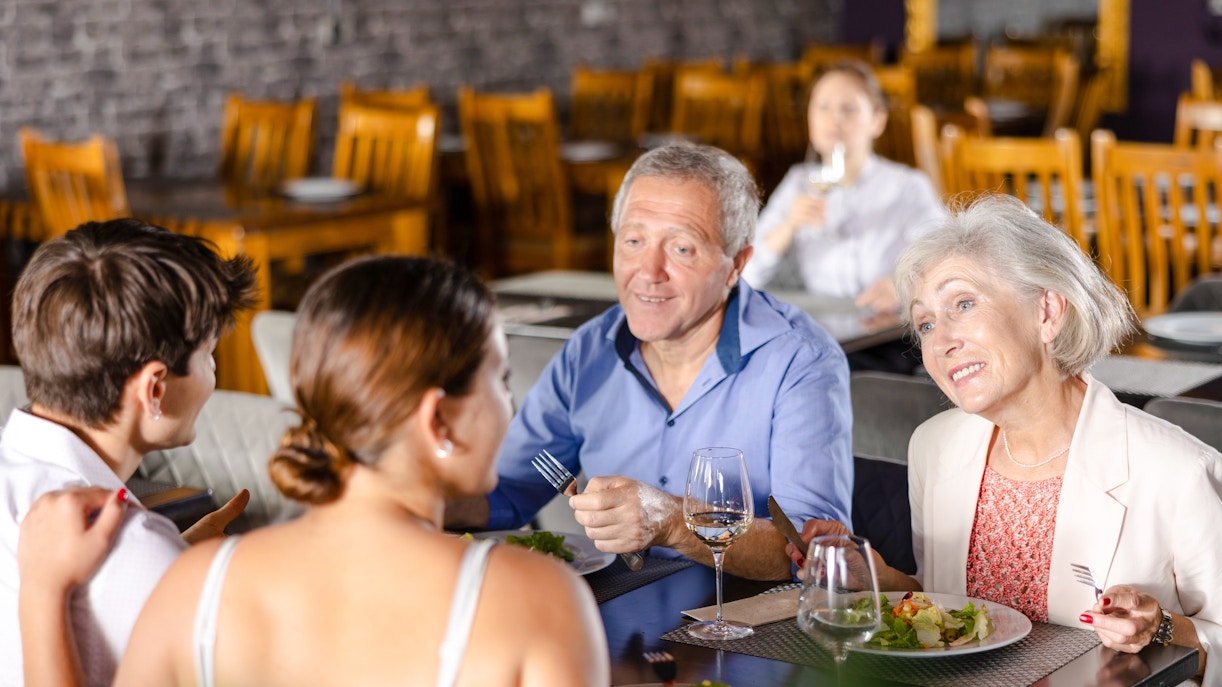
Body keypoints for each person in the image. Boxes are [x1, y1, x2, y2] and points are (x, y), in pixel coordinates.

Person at [14, 256, 607, 686]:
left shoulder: (191, 586)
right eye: (501, 383)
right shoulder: (536, 598)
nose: (512, 406)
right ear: (438, 421)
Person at [790, 195, 1222, 682]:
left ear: (1047, 312)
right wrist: (879, 582)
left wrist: (1161, 627)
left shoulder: (1178, 471)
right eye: (926, 322)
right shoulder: (935, 446)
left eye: (964, 304)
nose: (940, 341)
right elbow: (954, 614)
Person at [448, 143, 854, 582]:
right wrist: (401, 493)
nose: (649, 270)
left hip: (747, 624)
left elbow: (809, 554)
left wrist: (674, 521)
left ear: (736, 264)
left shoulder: (801, 361)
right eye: (634, 241)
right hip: (615, 608)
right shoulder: (589, 350)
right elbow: (509, 494)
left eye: (681, 249)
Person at [0, 218, 257, 686]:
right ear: (155, 388)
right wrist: (165, 564)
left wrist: (173, 555)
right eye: (208, 355)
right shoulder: (135, 553)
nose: (212, 373)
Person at [742, 59, 945, 374]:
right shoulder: (800, 182)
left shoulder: (906, 186)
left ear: (877, 120)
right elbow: (745, 273)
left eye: (849, 109)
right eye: (823, 107)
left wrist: (902, 286)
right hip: (821, 328)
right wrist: (788, 225)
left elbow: (944, 258)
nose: (834, 119)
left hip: (888, 334)